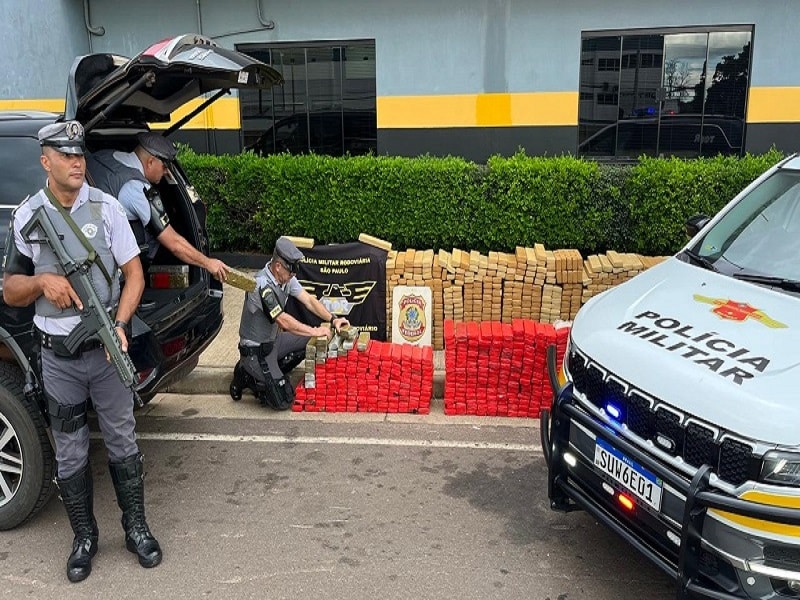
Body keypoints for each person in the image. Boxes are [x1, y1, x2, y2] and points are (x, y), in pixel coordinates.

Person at [2, 121, 162, 582]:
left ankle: (135, 528)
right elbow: (11, 290)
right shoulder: (28, 215)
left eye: (80, 154)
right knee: (70, 451)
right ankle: (84, 537)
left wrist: (120, 324)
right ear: (45, 161)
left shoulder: (108, 209)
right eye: (66, 155)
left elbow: (135, 276)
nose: (77, 162)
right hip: (58, 358)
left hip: (106, 354)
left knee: (122, 441)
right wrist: (41, 282)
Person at [85, 131, 229, 282]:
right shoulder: (136, 189)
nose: (167, 172)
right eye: (165, 166)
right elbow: (173, 243)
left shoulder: (105, 155)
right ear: (151, 161)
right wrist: (208, 263)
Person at [229, 236, 350, 409]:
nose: (293, 275)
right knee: (283, 400)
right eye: (290, 271)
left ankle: (272, 371)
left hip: (272, 343)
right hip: (256, 351)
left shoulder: (285, 278)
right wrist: (314, 331)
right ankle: (245, 374)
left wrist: (333, 319)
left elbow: (308, 300)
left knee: (309, 343)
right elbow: (283, 321)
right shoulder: (261, 285)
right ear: (278, 267)